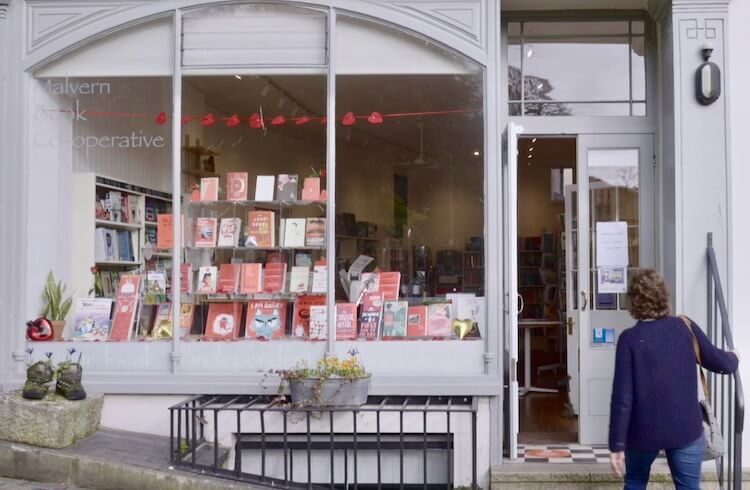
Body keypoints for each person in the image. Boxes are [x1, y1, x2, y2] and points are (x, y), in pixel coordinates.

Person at [609, 269, 739, 489]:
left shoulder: (628, 340)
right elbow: (721, 362)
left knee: (634, 482)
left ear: (633, 301)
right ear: (663, 296)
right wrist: (734, 357)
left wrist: (617, 445)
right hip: (685, 428)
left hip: (642, 431)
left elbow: (623, 398)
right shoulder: (684, 327)